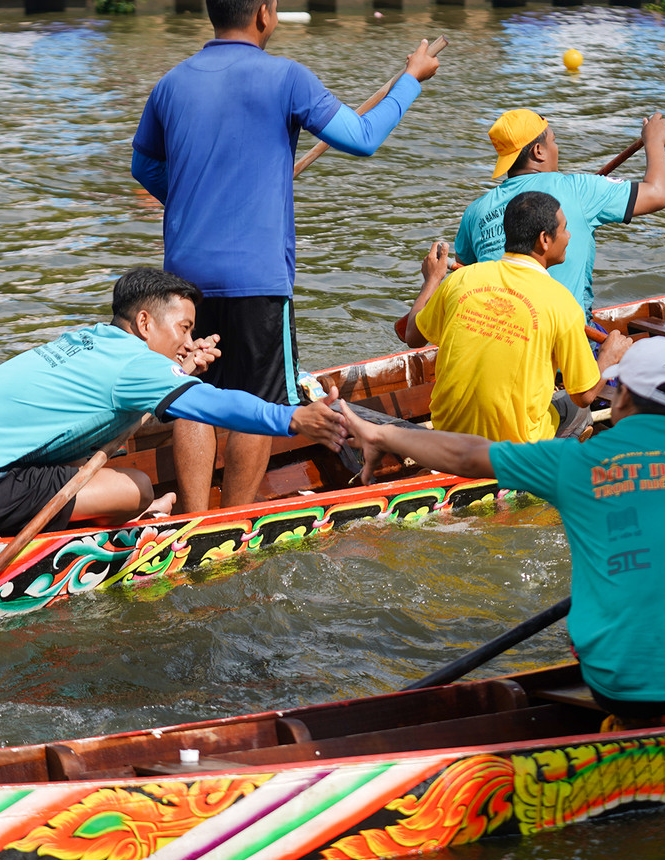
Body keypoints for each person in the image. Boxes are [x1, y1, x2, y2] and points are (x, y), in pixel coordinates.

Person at [341, 337, 665, 722]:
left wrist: (380, 434)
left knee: (587, 622)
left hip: (621, 694)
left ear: (620, 395)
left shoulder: (574, 461)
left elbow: (466, 456)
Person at [131, 0, 439, 513]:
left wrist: (197, 197)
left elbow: (145, 167)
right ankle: (232, 520)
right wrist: (411, 79)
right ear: (265, 13)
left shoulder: (171, 83)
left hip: (182, 277)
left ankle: (191, 519)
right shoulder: (287, 77)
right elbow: (362, 138)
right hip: (256, 275)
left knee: (190, 398)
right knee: (262, 400)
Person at [0, 268, 347, 536]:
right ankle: (130, 513)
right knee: (137, 486)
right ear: (144, 322)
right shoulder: (137, 369)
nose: (188, 341)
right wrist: (293, 417)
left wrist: (178, 368)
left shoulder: (88, 338)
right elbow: (219, 406)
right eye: (183, 328)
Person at [401, 191, 630, 443]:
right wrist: (609, 357)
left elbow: (412, 335)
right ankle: (548, 466)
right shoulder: (562, 302)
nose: (569, 236)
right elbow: (584, 395)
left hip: (448, 434)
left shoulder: (462, 278)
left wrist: (432, 280)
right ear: (544, 239)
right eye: (564, 229)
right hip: (516, 447)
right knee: (580, 410)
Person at [453, 108, 665, 320]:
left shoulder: (475, 211)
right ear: (538, 151)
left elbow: (466, 279)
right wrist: (654, 141)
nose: (557, 148)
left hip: (502, 336)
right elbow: (658, 193)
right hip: (567, 338)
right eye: (554, 141)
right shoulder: (579, 189)